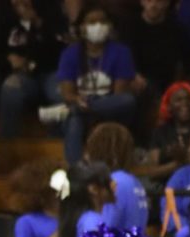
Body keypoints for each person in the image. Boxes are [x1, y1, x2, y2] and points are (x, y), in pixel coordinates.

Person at [48, 4, 137, 165]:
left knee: (127, 100)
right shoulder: (70, 54)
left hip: (109, 110)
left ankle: (80, 110)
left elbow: (119, 95)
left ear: (109, 26)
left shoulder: (121, 52)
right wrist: (77, 102)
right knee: (74, 119)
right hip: (80, 109)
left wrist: (87, 105)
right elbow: (67, 93)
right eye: (92, 22)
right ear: (82, 27)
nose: (98, 26)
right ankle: (76, 171)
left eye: (102, 21)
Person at [0, 0, 67, 137]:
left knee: (60, 93)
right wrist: (9, 60)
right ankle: (9, 144)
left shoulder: (52, 16)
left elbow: (59, 49)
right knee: (10, 89)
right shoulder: (5, 20)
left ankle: (56, 143)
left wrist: (37, 22)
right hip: (22, 76)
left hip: (50, 71)